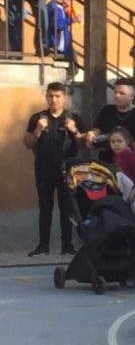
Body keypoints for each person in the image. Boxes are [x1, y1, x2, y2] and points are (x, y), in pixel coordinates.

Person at [23, 82, 83, 256]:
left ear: (64, 98)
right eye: (50, 96)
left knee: (67, 209)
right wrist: (38, 130)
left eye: (57, 96)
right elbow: (27, 144)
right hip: (44, 169)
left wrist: (74, 130)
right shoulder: (37, 118)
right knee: (45, 209)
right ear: (46, 97)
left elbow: (83, 144)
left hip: (67, 171)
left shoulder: (74, 117)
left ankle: (67, 246)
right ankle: (43, 246)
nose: (53, 100)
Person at [86, 82, 135, 158]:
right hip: (105, 158)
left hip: (127, 159)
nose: (117, 96)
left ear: (132, 96)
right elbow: (97, 129)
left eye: (122, 93)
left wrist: (123, 146)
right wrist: (92, 134)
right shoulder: (107, 110)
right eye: (115, 92)